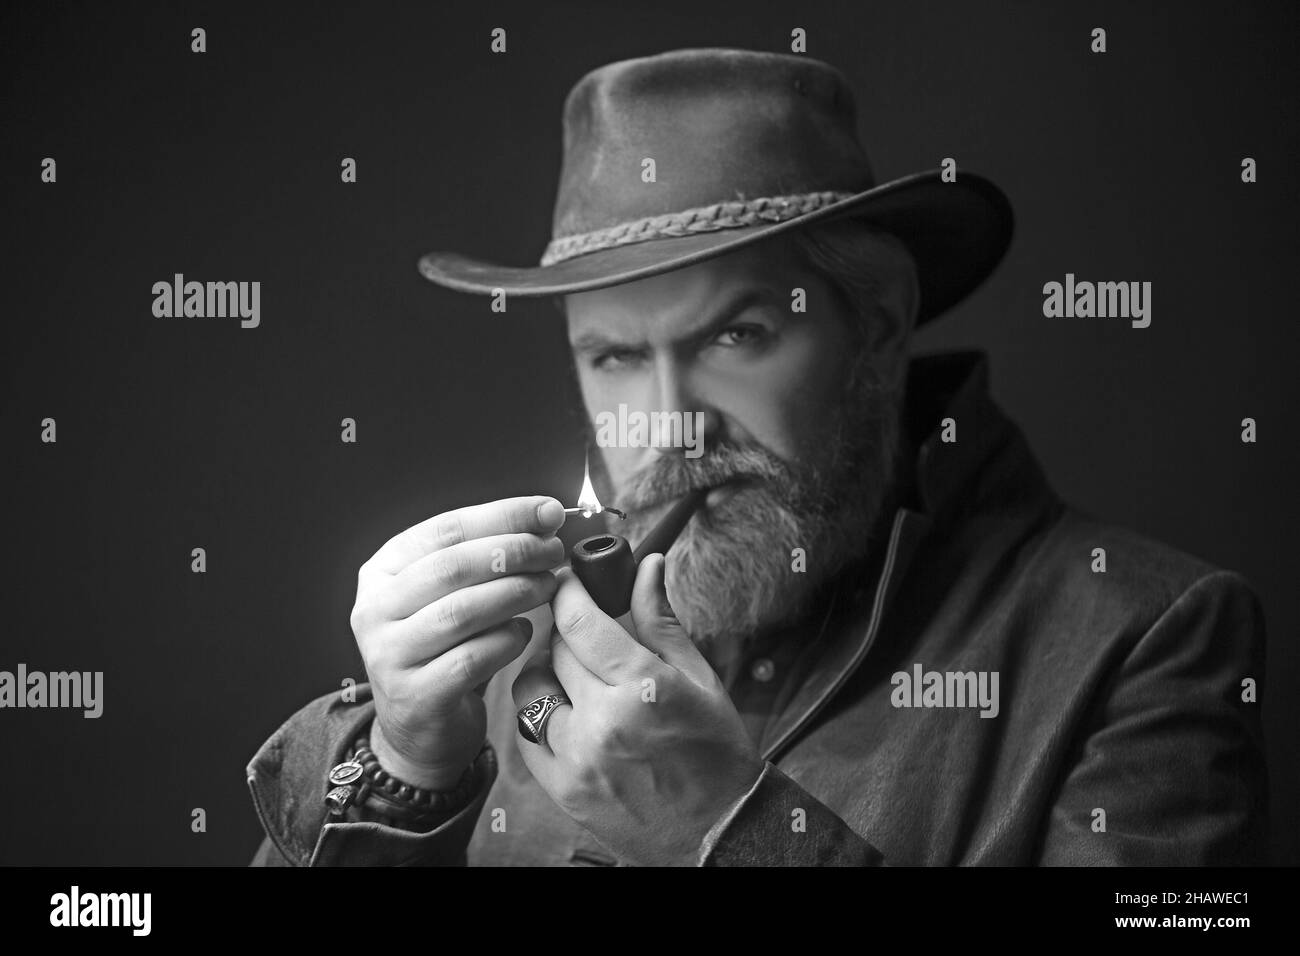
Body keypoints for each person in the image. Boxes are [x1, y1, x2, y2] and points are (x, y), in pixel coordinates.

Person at [247, 47, 1268, 866]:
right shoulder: (506, 659)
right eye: (611, 354)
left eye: (734, 336)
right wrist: (402, 769)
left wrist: (723, 828)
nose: (667, 422)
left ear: (878, 323)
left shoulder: (1142, 641)